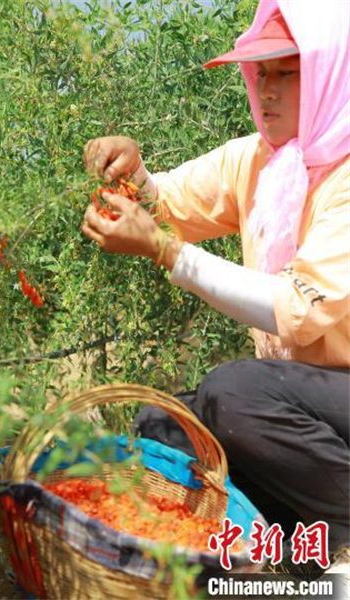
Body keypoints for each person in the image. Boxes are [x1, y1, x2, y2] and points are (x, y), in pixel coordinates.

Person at [81, 0, 349, 580]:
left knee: (235, 393)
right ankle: (278, 552)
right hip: (305, 412)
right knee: (167, 426)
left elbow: (297, 309)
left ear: (332, 71)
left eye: (288, 71)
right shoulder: (261, 160)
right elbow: (171, 205)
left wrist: (167, 252)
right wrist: (136, 175)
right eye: (261, 74)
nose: (268, 90)